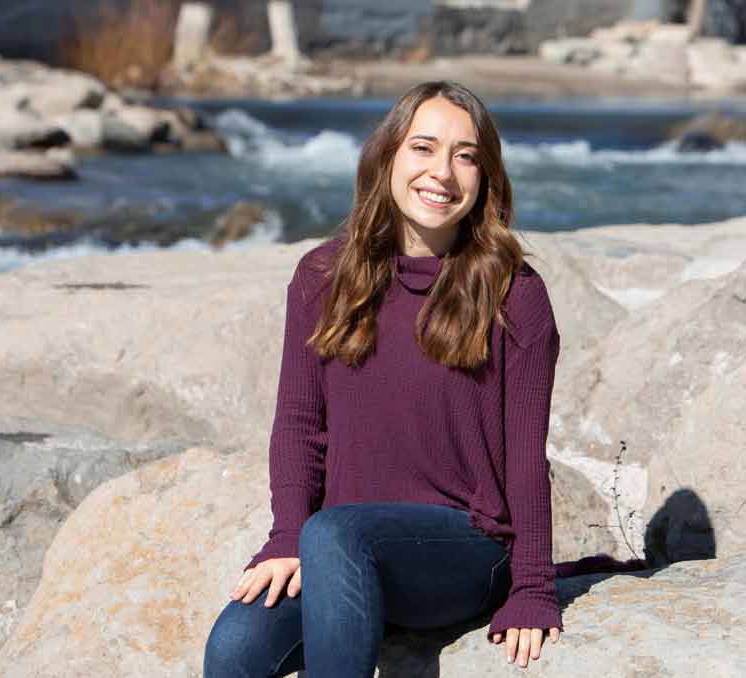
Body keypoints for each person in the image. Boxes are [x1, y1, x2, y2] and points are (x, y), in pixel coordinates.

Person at [204, 80, 565, 678]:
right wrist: (288, 534)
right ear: (389, 156)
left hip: (466, 550)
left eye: (466, 156)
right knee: (234, 649)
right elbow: (299, 424)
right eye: (423, 148)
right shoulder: (323, 275)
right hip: (337, 551)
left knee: (341, 533)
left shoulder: (515, 293)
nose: (443, 172)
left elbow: (527, 457)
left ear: (486, 178)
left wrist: (531, 585)